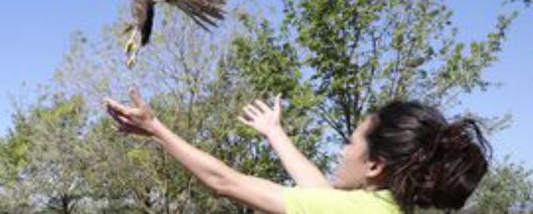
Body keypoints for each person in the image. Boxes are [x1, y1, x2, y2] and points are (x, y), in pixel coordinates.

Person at [105, 88, 490, 214]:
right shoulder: (380, 207)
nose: (342, 150)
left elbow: (223, 181)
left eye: (351, 142)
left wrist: (155, 129)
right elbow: (316, 193)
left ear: (374, 165)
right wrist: (275, 133)